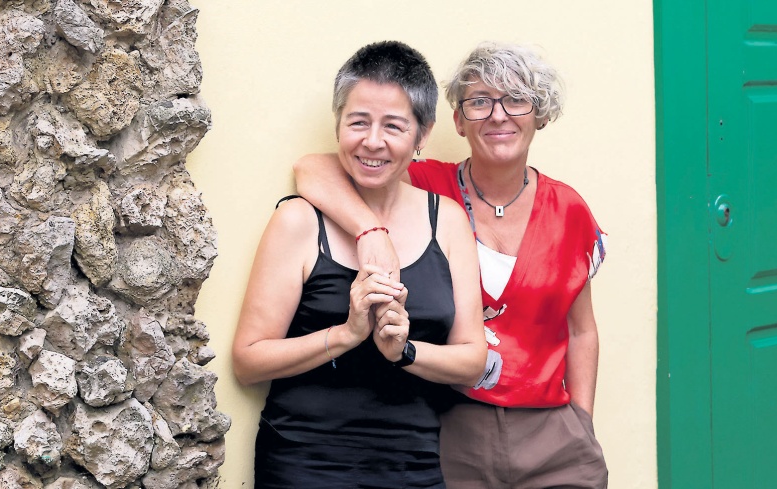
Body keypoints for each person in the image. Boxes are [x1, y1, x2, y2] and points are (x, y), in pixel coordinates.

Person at [294, 42, 610, 488]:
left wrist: (581, 422)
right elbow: (311, 169)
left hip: (553, 435)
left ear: (540, 114)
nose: (498, 116)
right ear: (458, 121)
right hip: (451, 426)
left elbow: (581, 331)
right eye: (479, 102)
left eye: (516, 99)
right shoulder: (425, 187)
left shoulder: (569, 209)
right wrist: (371, 230)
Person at [232, 40, 487, 489]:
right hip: (302, 463)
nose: (372, 141)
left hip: (412, 466)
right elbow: (248, 360)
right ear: (338, 125)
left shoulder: (446, 220)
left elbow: (472, 360)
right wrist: (347, 334)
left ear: (422, 135)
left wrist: (403, 351)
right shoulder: (298, 220)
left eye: (393, 126)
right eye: (358, 122)